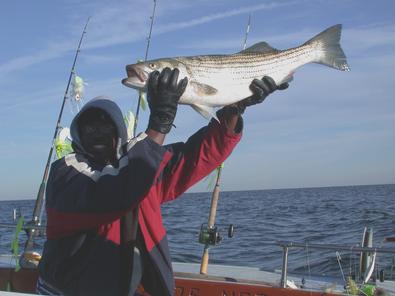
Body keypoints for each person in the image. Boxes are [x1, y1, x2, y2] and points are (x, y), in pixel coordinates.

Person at [36, 68, 288, 296]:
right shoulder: (65, 173)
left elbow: (197, 156)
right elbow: (117, 192)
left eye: (106, 126)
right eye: (89, 127)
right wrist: (159, 124)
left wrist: (234, 107)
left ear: (120, 134)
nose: (98, 132)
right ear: (78, 135)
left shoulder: (139, 166)